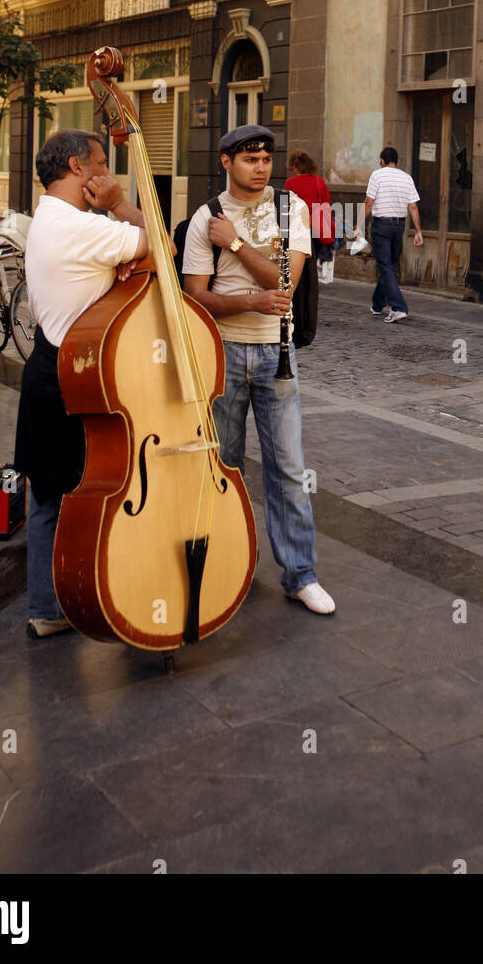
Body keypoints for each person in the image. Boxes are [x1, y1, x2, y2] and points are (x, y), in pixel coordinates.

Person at [182, 125, 335, 614]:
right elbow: (194, 298)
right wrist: (252, 298)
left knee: (288, 469)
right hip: (222, 354)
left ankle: (300, 575)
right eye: (250, 158)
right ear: (226, 162)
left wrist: (236, 244)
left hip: (277, 356)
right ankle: (222, 569)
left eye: (267, 158)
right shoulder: (204, 218)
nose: (261, 166)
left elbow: (285, 284)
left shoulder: (292, 209)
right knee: (220, 468)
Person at [14, 129, 149, 638]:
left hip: (50, 370)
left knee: (49, 493)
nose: (107, 173)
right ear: (77, 167)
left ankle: (48, 605)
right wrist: (120, 204)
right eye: (101, 163)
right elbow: (159, 242)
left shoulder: (48, 217)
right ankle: (58, 603)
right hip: (71, 377)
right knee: (65, 493)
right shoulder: (80, 228)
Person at [355, 147, 422, 322]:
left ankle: (398, 308)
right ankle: (377, 304)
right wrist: (418, 231)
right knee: (389, 266)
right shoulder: (407, 178)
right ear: (397, 162)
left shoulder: (376, 175)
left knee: (385, 266)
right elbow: (413, 206)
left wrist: (358, 226)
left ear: (382, 161)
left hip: (381, 226)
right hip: (399, 226)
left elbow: (369, 203)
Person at [285, 149, 335, 271]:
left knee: (298, 261)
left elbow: (285, 207)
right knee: (313, 259)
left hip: (298, 228)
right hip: (317, 227)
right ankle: (312, 286)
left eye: (292, 169)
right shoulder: (319, 181)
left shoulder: (290, 183)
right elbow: (326, 206)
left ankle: (300, 286)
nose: (292, 172)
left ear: (295, 166)